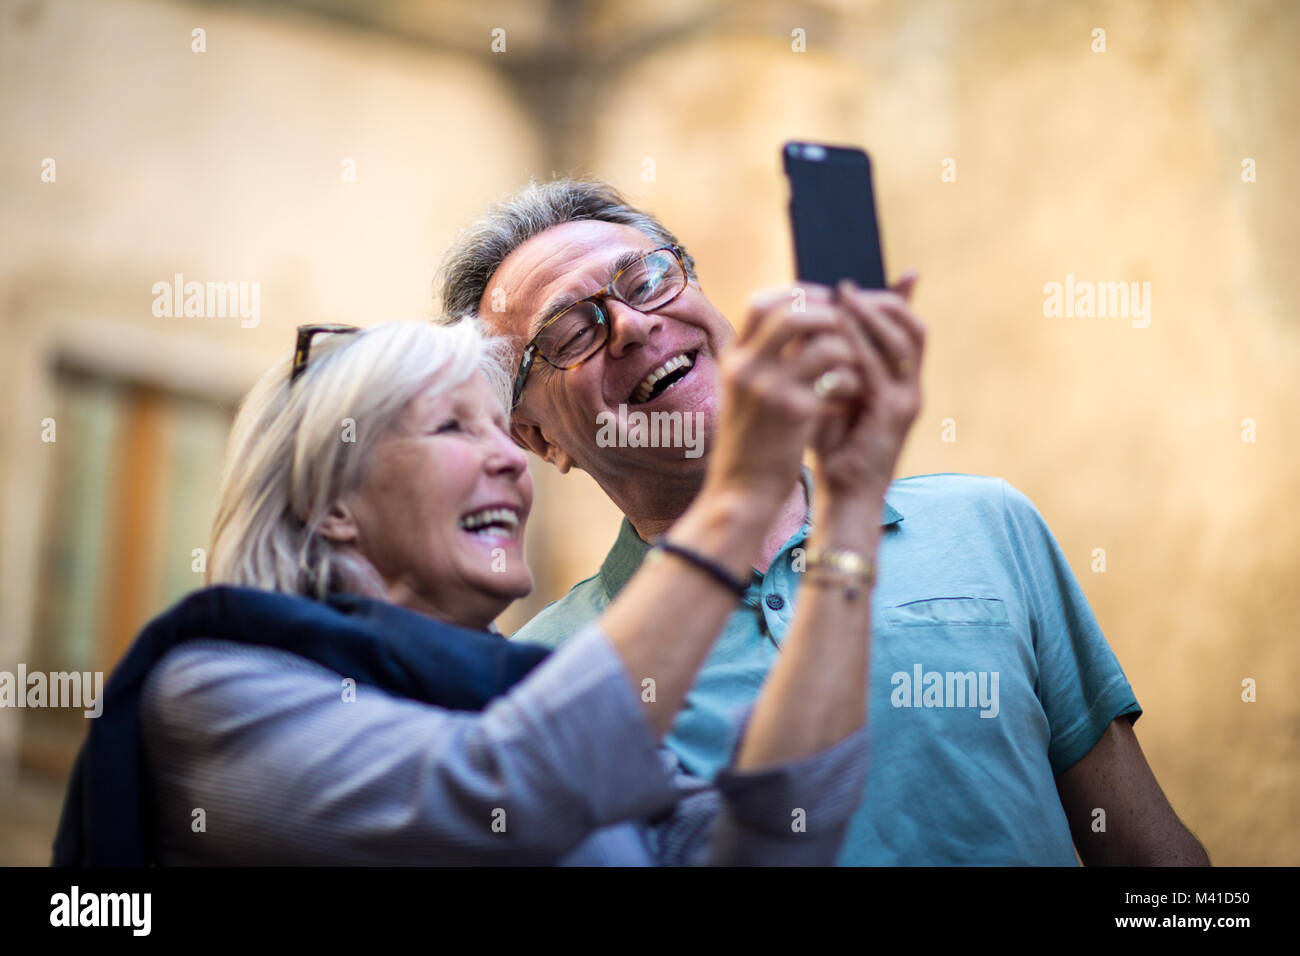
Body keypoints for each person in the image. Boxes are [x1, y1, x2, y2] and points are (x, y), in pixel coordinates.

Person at [439, 178, 1211, 866]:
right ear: (534, 438)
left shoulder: (988, 525)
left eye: (647, 278)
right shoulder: (541, 677)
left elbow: (1152, 858)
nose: (634, 326)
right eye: (571, 333)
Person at [53, 316, 883, 866]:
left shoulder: (536, 691)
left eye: (501, 429)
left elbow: (765, 843)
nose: (509, 460)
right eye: (453, 427)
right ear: (328, 505)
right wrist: (740, 497)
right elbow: (504, 791)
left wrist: (847, 507)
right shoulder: (214, 693)